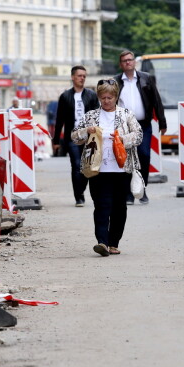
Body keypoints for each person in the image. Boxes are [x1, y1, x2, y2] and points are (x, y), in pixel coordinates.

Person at [71, 79, 142, 257]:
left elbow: (139, 135)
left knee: (119, 207)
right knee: (101, 205)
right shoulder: (91, 116)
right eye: (103, 98)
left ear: (116, 97)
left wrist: (121, 138)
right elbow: (74, 137)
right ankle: (101, 242)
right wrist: (86, 131)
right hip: (98, 169)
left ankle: (113, 242)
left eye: (109, 97)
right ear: (98, 97)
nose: (106, 101)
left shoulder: (126, 115)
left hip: (121, 169)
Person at [114, 50, 166, 205]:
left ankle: (141, 190)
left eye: (130, 59)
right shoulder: (115, 82)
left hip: (143, 124)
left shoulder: (146, 79)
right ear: (121, 64)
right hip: (123, 126)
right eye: (124, 60)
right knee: (126, 159)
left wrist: (162, 123)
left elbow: (156, 101)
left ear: (134, 62)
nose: (128, 62)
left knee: (144, 155)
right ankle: (128, 194)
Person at [53, 65, 100, 207]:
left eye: (84, 76)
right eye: (79, 75)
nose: (82, 78)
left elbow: (98, 116)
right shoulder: (65, 96)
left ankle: (81, 188)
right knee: (76, 165)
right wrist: (56, 140)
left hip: (89, 137)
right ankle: (79, 197)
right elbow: (59, 119)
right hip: (72, 137)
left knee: (87, 166)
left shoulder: (91, 95)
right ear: (73, 77)